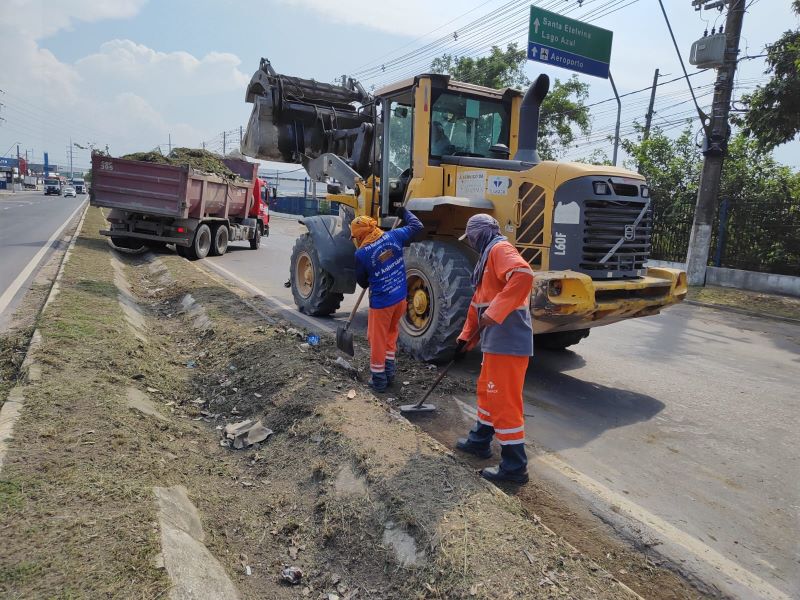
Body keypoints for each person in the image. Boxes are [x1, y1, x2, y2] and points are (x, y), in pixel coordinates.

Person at [454, 213, 535, 484]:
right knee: (488, 394)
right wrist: (465, 339)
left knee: (504, 402)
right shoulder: (486, 258)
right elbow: (478, 303)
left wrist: (496, 310)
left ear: (480, 233)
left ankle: (515, 467)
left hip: (509, 341)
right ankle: (480, 441)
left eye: (472, 237)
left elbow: (523, 275)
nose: (471, 242)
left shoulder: (500, 249)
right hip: (495, 341)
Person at [352, 207, 423, 392]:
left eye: (355, 237)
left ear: (360, 236)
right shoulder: (394, 236)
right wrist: (404, 212)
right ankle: (390, 373)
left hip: (382, 303)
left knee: (376, 340)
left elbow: (361, 281)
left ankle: (378, 381)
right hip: (400, 299)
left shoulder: (361, 254)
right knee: (391, 335)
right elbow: (417, 225)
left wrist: (373, 274)